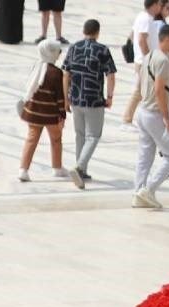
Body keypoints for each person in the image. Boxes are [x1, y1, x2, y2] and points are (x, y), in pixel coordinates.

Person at [127, 24, 169, 210]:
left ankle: (138, 193)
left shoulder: (148, 55)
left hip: (143, 111)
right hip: (155, 113)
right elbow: (159, 89)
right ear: (166, 39)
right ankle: (148, 190)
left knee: (145, 155)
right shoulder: (164, 61)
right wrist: (167, 117)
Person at [62, 19, 116, 189]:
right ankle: (79, 167)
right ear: (97, 32)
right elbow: (111, 75)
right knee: (93, 136)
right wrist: (109, 96)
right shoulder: (102, 50)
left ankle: (82, 170)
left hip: (75, 98)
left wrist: (66, 98)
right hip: (93, 100)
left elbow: (66, 74)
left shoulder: (73, 48)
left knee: (80, 135)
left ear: (83, 30)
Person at [18, 39, 68, 182]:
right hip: (50, 114)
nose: (59, 53)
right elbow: (60, 97)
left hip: (33, 112)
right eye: (58, 51)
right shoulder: (56, 73)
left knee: (31, 140)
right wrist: (62, 114)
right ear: (51, 53)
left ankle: (23, 169)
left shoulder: (37, 67)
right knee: (56, 140)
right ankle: (57, 168)